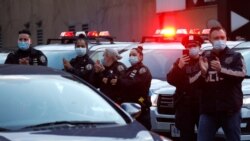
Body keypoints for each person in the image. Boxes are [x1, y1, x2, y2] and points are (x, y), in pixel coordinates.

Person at [198, 26, 246, 141]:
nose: (220, 40)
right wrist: (203, 73)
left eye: (222, 37)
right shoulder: (204, 57)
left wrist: (222, 70)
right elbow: (194, 84)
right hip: (209, 111)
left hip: (230, 111)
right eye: (216, 38)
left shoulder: (235, 56)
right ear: (209, 39)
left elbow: (241, 74)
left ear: (226, 38)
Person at [167, 35, 204, 141]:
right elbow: (170, 79)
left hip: (201, 105)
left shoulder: (204, 60)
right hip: (185, 107)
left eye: (194, 45)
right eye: (189, 46)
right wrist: (179, 67)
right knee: (186, 136)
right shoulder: (180, 62)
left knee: (204, 135)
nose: (192, 48)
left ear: (199, 47)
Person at [116, 46, 152, 130]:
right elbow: (122, 82)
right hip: (128, 107)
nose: (131, 57)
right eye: (130, 55)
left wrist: (120, 81)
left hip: (140, 106)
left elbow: (134, 84)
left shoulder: (143, 70)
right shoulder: (128, 70)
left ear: (140, 56)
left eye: (134, 55)